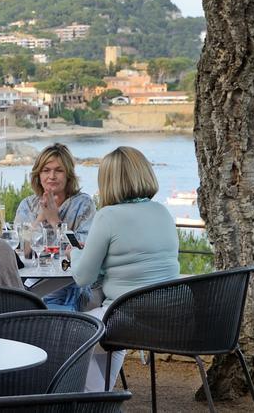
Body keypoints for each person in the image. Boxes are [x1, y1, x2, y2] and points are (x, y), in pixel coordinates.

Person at [69, 146, 179, 392]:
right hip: (170, 318)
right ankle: (99, 400)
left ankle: (91, 401)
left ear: (108, 181)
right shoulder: (163, 212)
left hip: (127, 318)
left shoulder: (108, 216)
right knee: (104, 335)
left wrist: (76, 253)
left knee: (71, 333)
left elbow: (83, 277)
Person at [14, 143, 96, 310]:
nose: (52, 176)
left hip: (71, 288)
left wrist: (54, 221)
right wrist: (40, 218)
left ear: (68, 175)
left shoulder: (83, 204)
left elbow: (82, 250)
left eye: (59, 170)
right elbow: (22, 251)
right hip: (31, 287)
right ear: (38, 174)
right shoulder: (28, 205)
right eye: (46, 170)